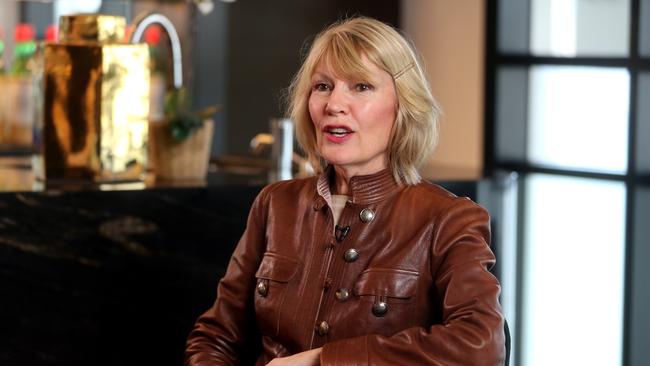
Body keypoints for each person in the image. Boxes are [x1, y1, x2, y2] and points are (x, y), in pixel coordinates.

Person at [185, 17, 505, 366]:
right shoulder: (275, 203)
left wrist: (321, 360)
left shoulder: (449, 219)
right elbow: (216, 339)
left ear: (403, 105)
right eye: (322, 86)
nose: (334, 104)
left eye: (361, 86)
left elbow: (481, 346)